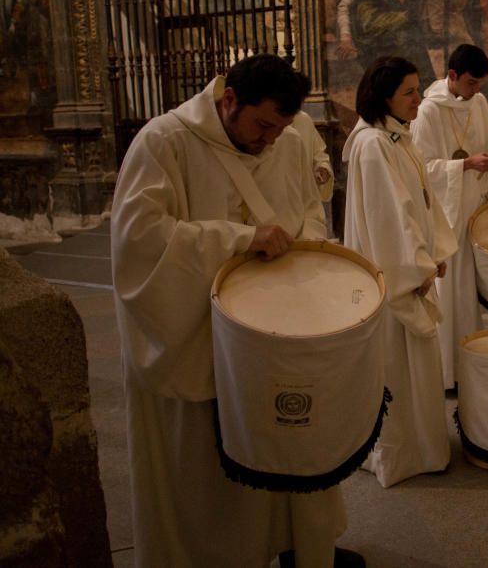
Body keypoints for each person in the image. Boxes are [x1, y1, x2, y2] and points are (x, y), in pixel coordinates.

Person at [110, 54, 364, 567]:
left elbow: (310, 211)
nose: (270, 140)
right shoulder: (165, 142)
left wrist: (309, 255)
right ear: (229, 100)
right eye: (262, 124)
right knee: (206, 475)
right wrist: (240, 239)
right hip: (196, 336)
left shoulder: (287, 140)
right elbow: (137, 243)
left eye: (281, 127)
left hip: (275, 333)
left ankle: (293, 548)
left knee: (286, 438)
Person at [343, 56, 459, 488]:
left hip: (412, 266)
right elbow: (389, 217)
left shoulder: (398, 138)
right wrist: (418, 267)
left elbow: (421, 202)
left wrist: (436, 249)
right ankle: (400, 452)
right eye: (409, 91)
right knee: (397, 364)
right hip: (394, 274)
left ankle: (423, 445)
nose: (418, 98)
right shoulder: (373, 143)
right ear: (384, 94)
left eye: (417, 89)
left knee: (416, 367)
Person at [411, 43, 488, 388]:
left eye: (480, 84)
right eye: (471, 83)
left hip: (472, 204)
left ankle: (468, 362)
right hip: (446, 211)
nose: (476, 90)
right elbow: (422, 169)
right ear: (451, 76)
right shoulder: (428, 111)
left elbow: (485, 137)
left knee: (466, 289)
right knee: (447, 287)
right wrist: (466, 164)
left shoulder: (479, 102)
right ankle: (444, 372)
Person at [291, 110, 334, 202]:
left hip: (304, 196)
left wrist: (323, 167)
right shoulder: (267, 121)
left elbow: (318, 153)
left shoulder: (303, 120)